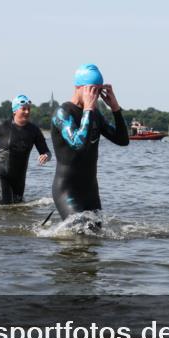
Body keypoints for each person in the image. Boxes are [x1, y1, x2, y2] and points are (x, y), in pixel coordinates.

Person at [49, 64, 129, 221]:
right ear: (79, 88)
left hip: (90, 192)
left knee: (95, 237)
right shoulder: (62, 113)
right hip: (67, 191)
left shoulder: (95, 115)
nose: (96, 95)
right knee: (79, 232)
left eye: (99, 90)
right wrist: (88, 110)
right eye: (92, 90)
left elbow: (122, 140)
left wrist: (115, 108)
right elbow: (78, 144)